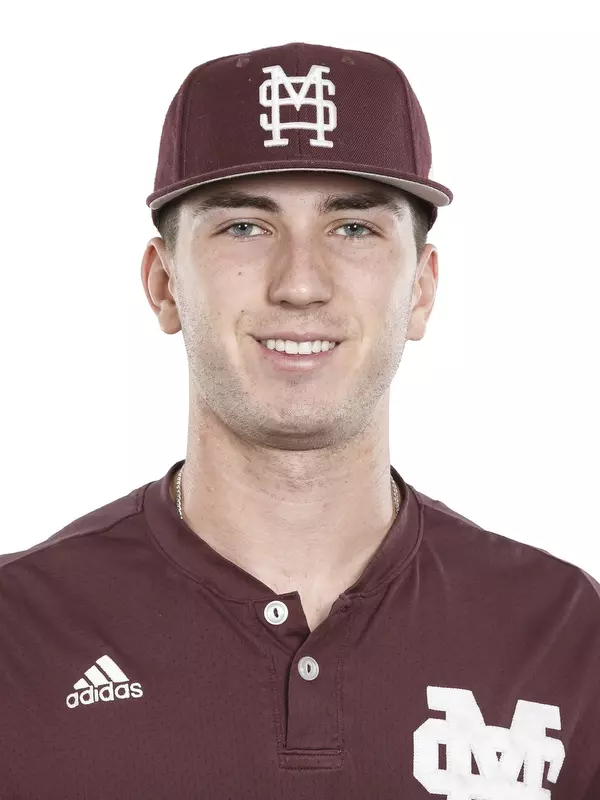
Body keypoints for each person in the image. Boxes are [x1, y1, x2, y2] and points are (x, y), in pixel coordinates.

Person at [1, 41, 598, 799]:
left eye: (354, 229)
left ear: (420, 291)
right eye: (245, 227)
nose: (301, 284)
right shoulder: (18, 636)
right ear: (162, 286)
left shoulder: (564, 636)